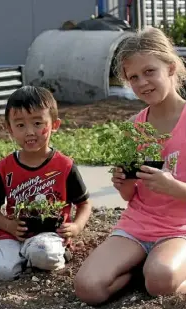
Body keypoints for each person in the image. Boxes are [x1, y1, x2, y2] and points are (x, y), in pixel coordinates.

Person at [74, 27, 186, 305]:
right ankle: (142, 268)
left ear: (170, 67)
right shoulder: (134, 128)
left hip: (180, 228)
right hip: (137, 225)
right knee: (88, 288)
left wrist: (173, 187)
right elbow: (129, 197)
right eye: (133, 77)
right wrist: (123, 185)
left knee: (161, 282)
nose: (143, 83)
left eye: (150, 72)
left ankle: (157, 268)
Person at [0, 86, 92, 281]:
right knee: (2, 272)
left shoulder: (64, 165)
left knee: (45, 255)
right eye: (20, 125)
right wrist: (9, 225)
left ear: (54, 124)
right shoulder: (5, 167)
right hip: (13, 235)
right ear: (9, 128)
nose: (30, 132)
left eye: (38, 123)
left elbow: (84, 203)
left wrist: (76, 227)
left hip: (50, 234)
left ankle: (45, 254)